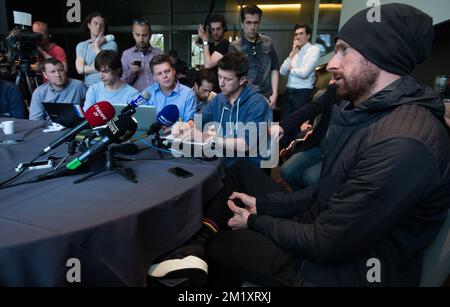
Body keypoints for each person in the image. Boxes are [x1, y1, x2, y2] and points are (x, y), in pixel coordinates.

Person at [148, 4, 450, 287]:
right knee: (239, 175)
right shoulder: (368, 111)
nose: (331, 63)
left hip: (343, 272)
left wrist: (255, 220)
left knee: (222, 246)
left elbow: (327, 242)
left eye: (344, 51)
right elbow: (324, 195)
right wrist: (262, 206)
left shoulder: (403, 143)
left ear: (381, 57)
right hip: (325, 229)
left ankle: (203, 247)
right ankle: (195, 244)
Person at [229, 4, 279, 111]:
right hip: (244, 98)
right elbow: (233, 76)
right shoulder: (235, 46)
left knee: (267, 128)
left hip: (267, 97)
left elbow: (274, 69)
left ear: (260, 23)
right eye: (248, 22)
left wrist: (275, 94)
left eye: (256, 23)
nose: (252, 27)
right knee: (247, 128)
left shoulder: (267, 42)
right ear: (242, 24)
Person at [280, 24, 320, 119]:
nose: (298, 37)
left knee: (298, 124)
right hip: (288, 91)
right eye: (296, 34)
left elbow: (305, 73)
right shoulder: (294, 51)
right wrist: (293, 53)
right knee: (284, 123)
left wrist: (291, 70)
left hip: (303, 93)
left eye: (301, 33)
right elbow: (282, 71)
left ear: (308, 36)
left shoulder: (314, 50)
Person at [142, 54, 196, 125]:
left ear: (174, 71)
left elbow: (192, 122)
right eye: (159, 73)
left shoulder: (188, 94)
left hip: (178, 135)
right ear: (154, 77)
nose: (165, 76)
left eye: (167, 71)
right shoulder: (147, 93)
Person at [75, 12, 118, 87]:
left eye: (102, 25)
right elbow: (80, 69)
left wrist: (96, 46)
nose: (98, 27)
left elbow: (108, 65)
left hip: (107, 86)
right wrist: (102, 67)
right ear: (89, 25)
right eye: (95, 23)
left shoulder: (112, 44)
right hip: (88, 87)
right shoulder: (81, 46)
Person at [121, 19, 163, 92]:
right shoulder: (126, 54)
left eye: (144, 35)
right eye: (137, 35)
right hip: (136, 98)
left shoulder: (159, 53)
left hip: (157, 97)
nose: (141, 39)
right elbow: (121, 84)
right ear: (133, 34)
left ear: (150, 35)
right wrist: (132, 72)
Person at [197, 14, 230, 93]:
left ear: (224, 29)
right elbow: (197, 43)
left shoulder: (225, 44)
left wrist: (205, 40)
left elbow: (208, 65)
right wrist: (203, 33)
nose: (215, 32)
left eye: (218, 29)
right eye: (213, 29)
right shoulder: (213, 46)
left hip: (219, 90)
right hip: (211, 89)